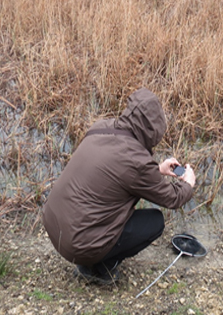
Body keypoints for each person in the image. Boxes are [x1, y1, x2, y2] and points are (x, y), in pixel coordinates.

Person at [42, 88, 196, 284]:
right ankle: (99, 267)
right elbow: (173, 198)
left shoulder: (101, 127)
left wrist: (157, 169)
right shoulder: (136, 160)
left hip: (55, 228)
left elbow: (114, 172)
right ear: (154, 126)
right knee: (155, 222)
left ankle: (91, 255)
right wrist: (189, 183)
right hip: (77, 245)